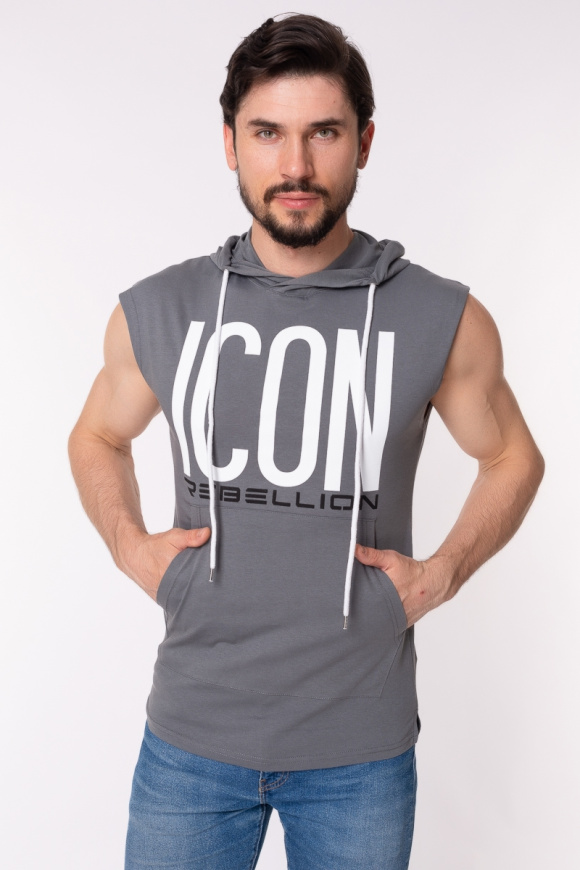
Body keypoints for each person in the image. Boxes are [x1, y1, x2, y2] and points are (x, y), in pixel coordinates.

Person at [68, 13, 544, 870]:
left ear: (364, 142)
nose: (295, 166)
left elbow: (514, 457)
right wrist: (130, 547)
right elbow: (97, 435)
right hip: (190, 743)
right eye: (267, 133)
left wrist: (443, 573)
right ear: (229, 144)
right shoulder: (161, 309)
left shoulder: (440, 316)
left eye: (323, 132)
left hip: (360, 755)